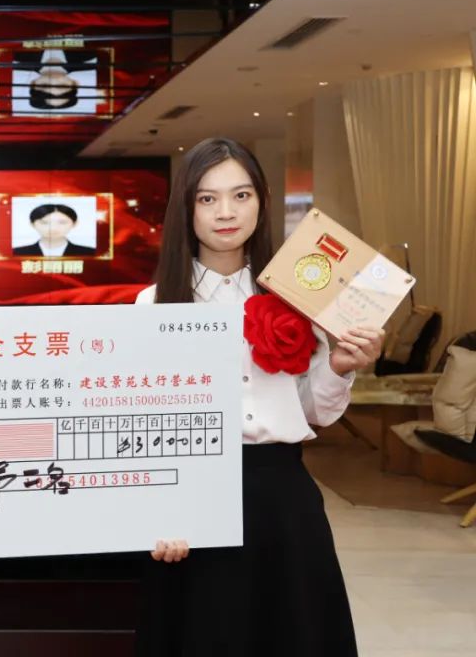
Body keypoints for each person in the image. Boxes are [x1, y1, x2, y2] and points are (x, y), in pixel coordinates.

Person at [134, 137, 383, 657]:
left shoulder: (299, 292)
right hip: (194, 495)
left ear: (262, 202)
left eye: (240, 195)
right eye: (207, 198)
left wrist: (339, 365)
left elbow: (313, 411)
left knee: (293, 634)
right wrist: (161, 511)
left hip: (282, 495)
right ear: (186, 209)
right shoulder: (154, 303)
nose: (225, 212)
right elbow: (143, 423)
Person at [12, 49, 99, 112]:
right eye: (61, 86)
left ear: (32, 83)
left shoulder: (16, 58)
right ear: (75, 84)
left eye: (45, 85)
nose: (53, 80)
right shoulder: (89, 57)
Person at [13, 203, 95, 257]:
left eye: (62, 222)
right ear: (32, 224)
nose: (53, 228)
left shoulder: (90, 253)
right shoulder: (17, 252)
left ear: (75, 224)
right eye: (44, 223)